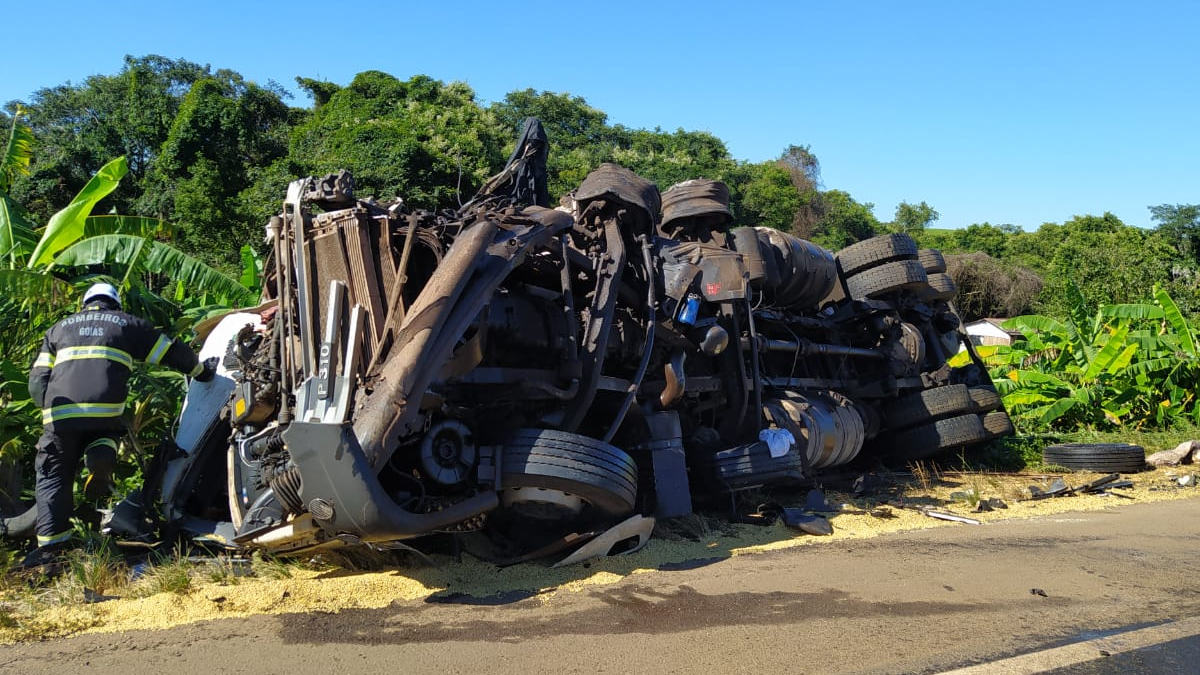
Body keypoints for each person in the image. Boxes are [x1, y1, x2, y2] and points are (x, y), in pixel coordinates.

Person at [21, 282, 217, 570]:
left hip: (61, 416)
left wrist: (47, 410)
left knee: (53, 476)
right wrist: (202, 373)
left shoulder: (59, 328)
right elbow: (171, 351)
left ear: (85, 303)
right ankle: (101, 453)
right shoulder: (127, 324)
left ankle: (51, 553)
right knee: (107, 430)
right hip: (105, 411)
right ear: (115, 303)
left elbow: (37, 381)